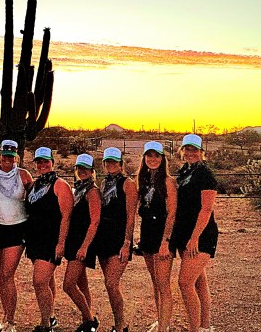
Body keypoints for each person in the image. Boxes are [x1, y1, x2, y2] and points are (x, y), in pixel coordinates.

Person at [170, 134, 218, 332]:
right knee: (199, 281)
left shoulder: (205, 174)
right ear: (182, 151)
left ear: (201, 152)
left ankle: (194, 329)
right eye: (187, 149)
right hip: (184, 233)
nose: (190, 153)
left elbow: (206, 209)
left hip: (200, 235)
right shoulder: (184, 172)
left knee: (185, 282)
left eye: (194, 149)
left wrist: (194, 238)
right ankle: (204, 326)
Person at [0, 140, 34, 332]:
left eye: (11, 155)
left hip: (17, 229)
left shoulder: (24, 175)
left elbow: (34, 199)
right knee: (3, 277)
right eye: (4, 155)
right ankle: (5, 316)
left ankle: (11, 320)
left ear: (16, 157)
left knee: (7, 274)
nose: (7, 159)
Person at [26, 146, 74, 332]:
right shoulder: (34, 185)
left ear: (52, 163)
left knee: (39, 281)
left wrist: (61, 243)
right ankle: (51, 316)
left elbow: (66, 216)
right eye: (39, 161)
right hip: (34, 239)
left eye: (46, 161)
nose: (42, 164)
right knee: (47, 281)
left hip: (51, 240)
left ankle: (46, 323)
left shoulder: (60, 185)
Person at [93, 147, 136, 332]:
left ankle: (121, 325)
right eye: (107, 162)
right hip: (104, 238)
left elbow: (131, 216)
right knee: (109, 285)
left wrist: (127, 243)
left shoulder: (128, 184)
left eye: (114, 162)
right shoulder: (103, 184)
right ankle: (119, 323)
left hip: (119, 239)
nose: (111, 165)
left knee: (112, 283)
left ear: (121, 164)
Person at [136, 142, 177, 332]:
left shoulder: (168, 181)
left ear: (162, 159)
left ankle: (164, 327)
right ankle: (160, 320)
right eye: (149, 155)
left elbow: (172, 213)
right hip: (147, 235)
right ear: (144, 158)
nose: (153, 159)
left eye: (156, 156)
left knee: (163, 283)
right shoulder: (143, 180)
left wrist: (166, 242)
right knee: (155, 281)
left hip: (162, 236)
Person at [63, 154, 101, 332]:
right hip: (74, 241)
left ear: (93, 171)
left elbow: (95, 221)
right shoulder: (78, 189)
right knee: (81, 283)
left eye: (86, 168)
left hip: (83, 243)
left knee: (68, 285)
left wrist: (85, 247)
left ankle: (89, 320)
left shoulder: (92, 191)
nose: (82, 171)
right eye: (79, 168)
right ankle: (89, 318)